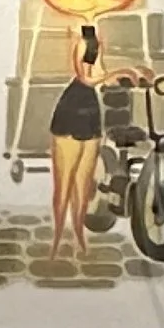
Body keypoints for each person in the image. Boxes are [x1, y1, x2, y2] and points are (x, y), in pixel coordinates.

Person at [47, 22, 107, 263]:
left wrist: (125, 73)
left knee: (83, 186)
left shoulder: (96, 42)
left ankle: (78, 235)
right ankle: (57, 238)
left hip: (90, 112)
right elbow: (85, 78)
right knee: (64, 185)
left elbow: (99, 73)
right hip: (71, 110)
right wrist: (121, 73)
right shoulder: (79, 40)